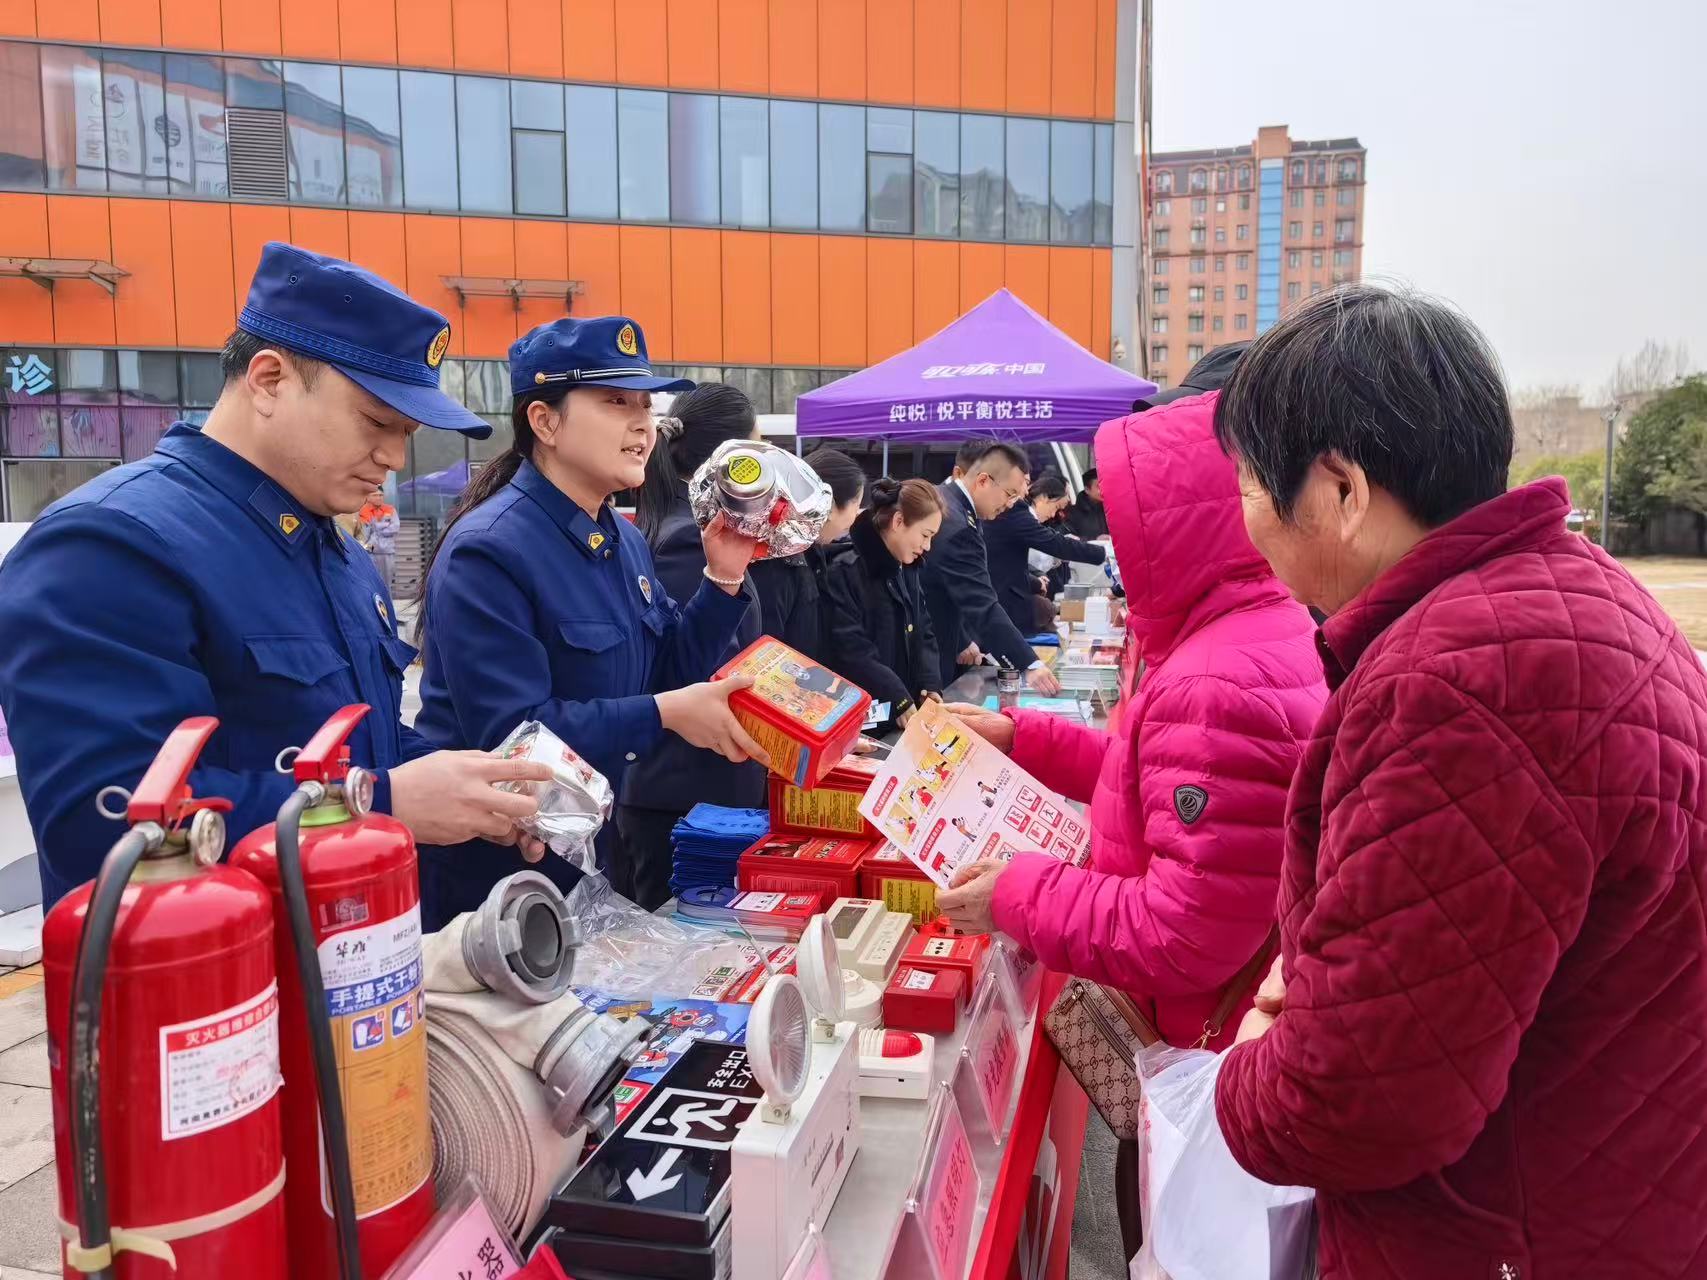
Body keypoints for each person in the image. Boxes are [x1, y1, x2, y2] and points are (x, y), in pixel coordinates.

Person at [1209, 286, 1707, 1278]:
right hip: (1608, 1178)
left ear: (1342, 490)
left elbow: (1358, 1102)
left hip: (1513, 1229)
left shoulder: (1456, 685)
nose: (1247, 520)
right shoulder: (1577, 591)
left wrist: (1241, 1075)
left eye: (1254, 487)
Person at [0, 242, 554, 909]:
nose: (393, 456)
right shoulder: (111, 544)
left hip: (355, 969)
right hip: (206, 993)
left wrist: (474, 793)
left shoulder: (340, 556)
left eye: (407, 432)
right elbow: (101, 829)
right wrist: (387, 802)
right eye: (377, 422)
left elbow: (362, 739)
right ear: (268, 379)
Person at [935, 382, 1326, 1261]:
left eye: (1127, 517)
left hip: (1204, 1045)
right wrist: (1023, 736)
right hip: (1226, 1030)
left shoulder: (1212, 678)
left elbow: (1186, 932)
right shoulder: (1250, 631)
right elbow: (1155, 781)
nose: (1116, 542)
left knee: (1178, 1234)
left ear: (1177, 521)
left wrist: (1022, 895)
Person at [413, 321, 766, 928]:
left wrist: (722, 577)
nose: (642, 423)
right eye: (615, 402)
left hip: (589, 849)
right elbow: (516, 734)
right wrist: (666, 713)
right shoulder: (491, 550)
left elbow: (667, 673)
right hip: (494, 876)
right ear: (545, 422)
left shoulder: (622, 540)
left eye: (645, 405)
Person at [616, 384, 770, 909]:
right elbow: (703, 670)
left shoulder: (692, 526)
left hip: (691, 787)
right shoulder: (687, 538)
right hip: (687, 793)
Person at [922, 441, 1061, 694]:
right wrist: (1029, 663)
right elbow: (981, 604)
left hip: (945, 639)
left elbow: (947, 583)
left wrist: (963, 638)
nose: (1010, 504)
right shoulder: (958, 526)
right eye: (1009, 494)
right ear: (984, 480)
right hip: (928, 652)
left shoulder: (950, 502)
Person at [821, 478, 945, 729]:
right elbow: (851, 647)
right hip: (865, 718)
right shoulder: (846, 570)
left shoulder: (907, 566)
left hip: (905, 711)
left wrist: (930, 685)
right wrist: (896, 697)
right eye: (925, 535)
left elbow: (924, 629)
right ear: (898, 522)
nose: (927, 546)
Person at [748, 447, 865, 660]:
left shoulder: (807, 552)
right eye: (856, 506)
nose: (856, 517)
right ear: (829, 506)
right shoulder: (778, 563)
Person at [984, 471, 1107, 635]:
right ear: (1043, 498)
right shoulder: (1018, 513)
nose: (1027, 490)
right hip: (1005, 602)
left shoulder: (1019, 514)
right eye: (1024, 483)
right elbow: (1056, 545)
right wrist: (1102, 553)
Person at [357, 488, 400, 589]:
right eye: (375, 495)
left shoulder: (390, 509)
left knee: (386, 584)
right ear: (368, 497)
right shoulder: (363, 511)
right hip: (369, 551)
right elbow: (363, 534)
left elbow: (395, 527)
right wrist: (382, 526)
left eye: (381, 495)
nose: (378, 497)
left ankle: (388, 604)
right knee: (370, 582)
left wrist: (376, 529)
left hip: (387, 551)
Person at [1062, 466, 1108, 540]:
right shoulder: (1072, 514)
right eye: (1099, 487)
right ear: (1087, 490)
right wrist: (1095, 539)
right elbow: (1066, 539)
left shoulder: (1111, 509)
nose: (1104, 490)